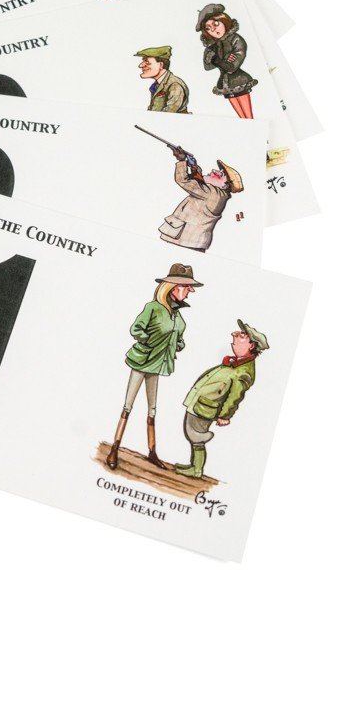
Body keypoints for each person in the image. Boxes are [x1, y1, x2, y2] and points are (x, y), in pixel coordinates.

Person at [105, 263, 203, 471]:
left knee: (152, 409)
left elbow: (179, 339)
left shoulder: (178, 316)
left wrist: (178, 345)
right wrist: (149, 342)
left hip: (158, 365)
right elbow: (136, 329)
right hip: (141, 362)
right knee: (127, 406)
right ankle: (115, 448)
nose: (189, 291)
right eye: (186, 287)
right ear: (172, 287)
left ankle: (152, 452)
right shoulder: (153, 308)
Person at [175, 319, 268, 478]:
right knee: (191, 433)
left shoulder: (244, 372)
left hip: (206, 408)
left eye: (242, 336)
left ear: (251, 345)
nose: (234, 335)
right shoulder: (235, 363)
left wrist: (225, 416)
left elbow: (234, 397)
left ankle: (197, 470)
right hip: (201, 404)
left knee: (196, 436)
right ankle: (194, 466)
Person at [159, 154, 244, 253]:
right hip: (190, 242)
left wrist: (182, 161)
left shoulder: (212, 193)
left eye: (221, 175)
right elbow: (200, 181)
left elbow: (183, 180)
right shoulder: (218, 193)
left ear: (225, 185)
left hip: (185, 242)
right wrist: (194, 167)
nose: (214, 171)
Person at [196, 2, 258, 119]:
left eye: (216, 23)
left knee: (248, 116)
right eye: (208, 28)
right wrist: (215, 59)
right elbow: (207, 67)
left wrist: (216, 60)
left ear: (224, 20)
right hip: (224, 84)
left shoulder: (236, 39)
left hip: (239, 80)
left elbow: (231, 67)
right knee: (241, 117)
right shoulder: (213, 46)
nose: (213, 29)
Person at [135, 46, 190, 113]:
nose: (140, 65)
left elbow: (168, 114)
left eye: (147, 62)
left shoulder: (174, 85)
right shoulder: (157, 85)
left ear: (161, 65)